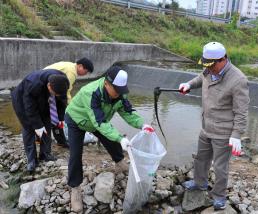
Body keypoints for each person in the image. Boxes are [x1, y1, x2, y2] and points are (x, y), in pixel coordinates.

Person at [64, 65, 154, 212]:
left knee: (111, 139)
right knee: (75, 154)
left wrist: (142, 124)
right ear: (106, 83)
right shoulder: (91, 92)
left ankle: (119, 162)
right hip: (77, 120)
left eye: (121, 90)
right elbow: (98, 122)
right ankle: (75, 188)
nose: (119, 94)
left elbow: (128, 112)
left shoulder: (120, 93)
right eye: (116, 90)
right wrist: (120, 138)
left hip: (98, 120)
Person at [179, 42, 250, 210]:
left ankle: (219, 196)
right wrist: (189, 84)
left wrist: (237, 135)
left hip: (224, 132)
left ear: (222, 59)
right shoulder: (209, 70)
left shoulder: (238, 80)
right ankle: (199, 182)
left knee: (220, 166)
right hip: (206, 126)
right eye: (207, 66)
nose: (209, 69)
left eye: (211, 65)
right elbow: (200, 77)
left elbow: (242, 112)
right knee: (201, 158)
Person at [11, 70, 69, 172]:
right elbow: (30, 109)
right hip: (22, 101)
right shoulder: (33, 84)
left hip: (44, 98)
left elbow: (62, 100)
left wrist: (61, 118)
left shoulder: (62, 80)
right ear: (49, 86)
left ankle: (45, 154)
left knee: (46, 123)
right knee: (29, 127)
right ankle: (32, 159)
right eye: (55, 94)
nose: (57, 96)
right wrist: (37, 126)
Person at [44, 58, 94, 148]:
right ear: (80, 66)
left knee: (56, 116)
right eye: (86, 71)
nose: (85, 74)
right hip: (48, 88)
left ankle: (58, 139)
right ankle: (54, 139)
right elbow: (65, 91)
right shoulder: (72, 72)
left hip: (48, 85)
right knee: (57, 115)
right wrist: (70, 106)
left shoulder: (70, 66)